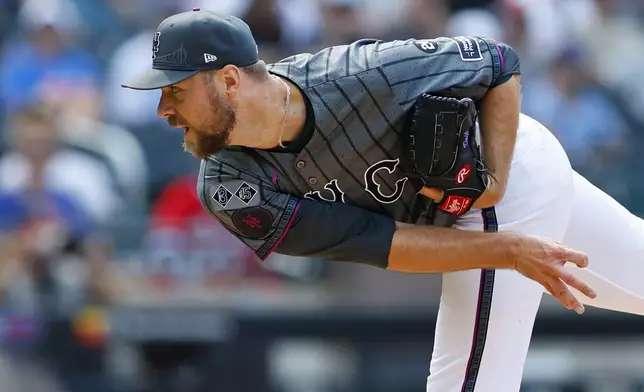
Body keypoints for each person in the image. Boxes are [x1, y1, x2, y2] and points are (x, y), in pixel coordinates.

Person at [121, 9, 644, 392]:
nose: (164, 109)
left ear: (229, 80)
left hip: (503, 167)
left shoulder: (357, 73)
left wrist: (496, 183)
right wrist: (509, 251)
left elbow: (498, 62)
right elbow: (379, 243)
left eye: (175, 90)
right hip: (461, 221)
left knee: (467, 381)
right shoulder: (229, 187)